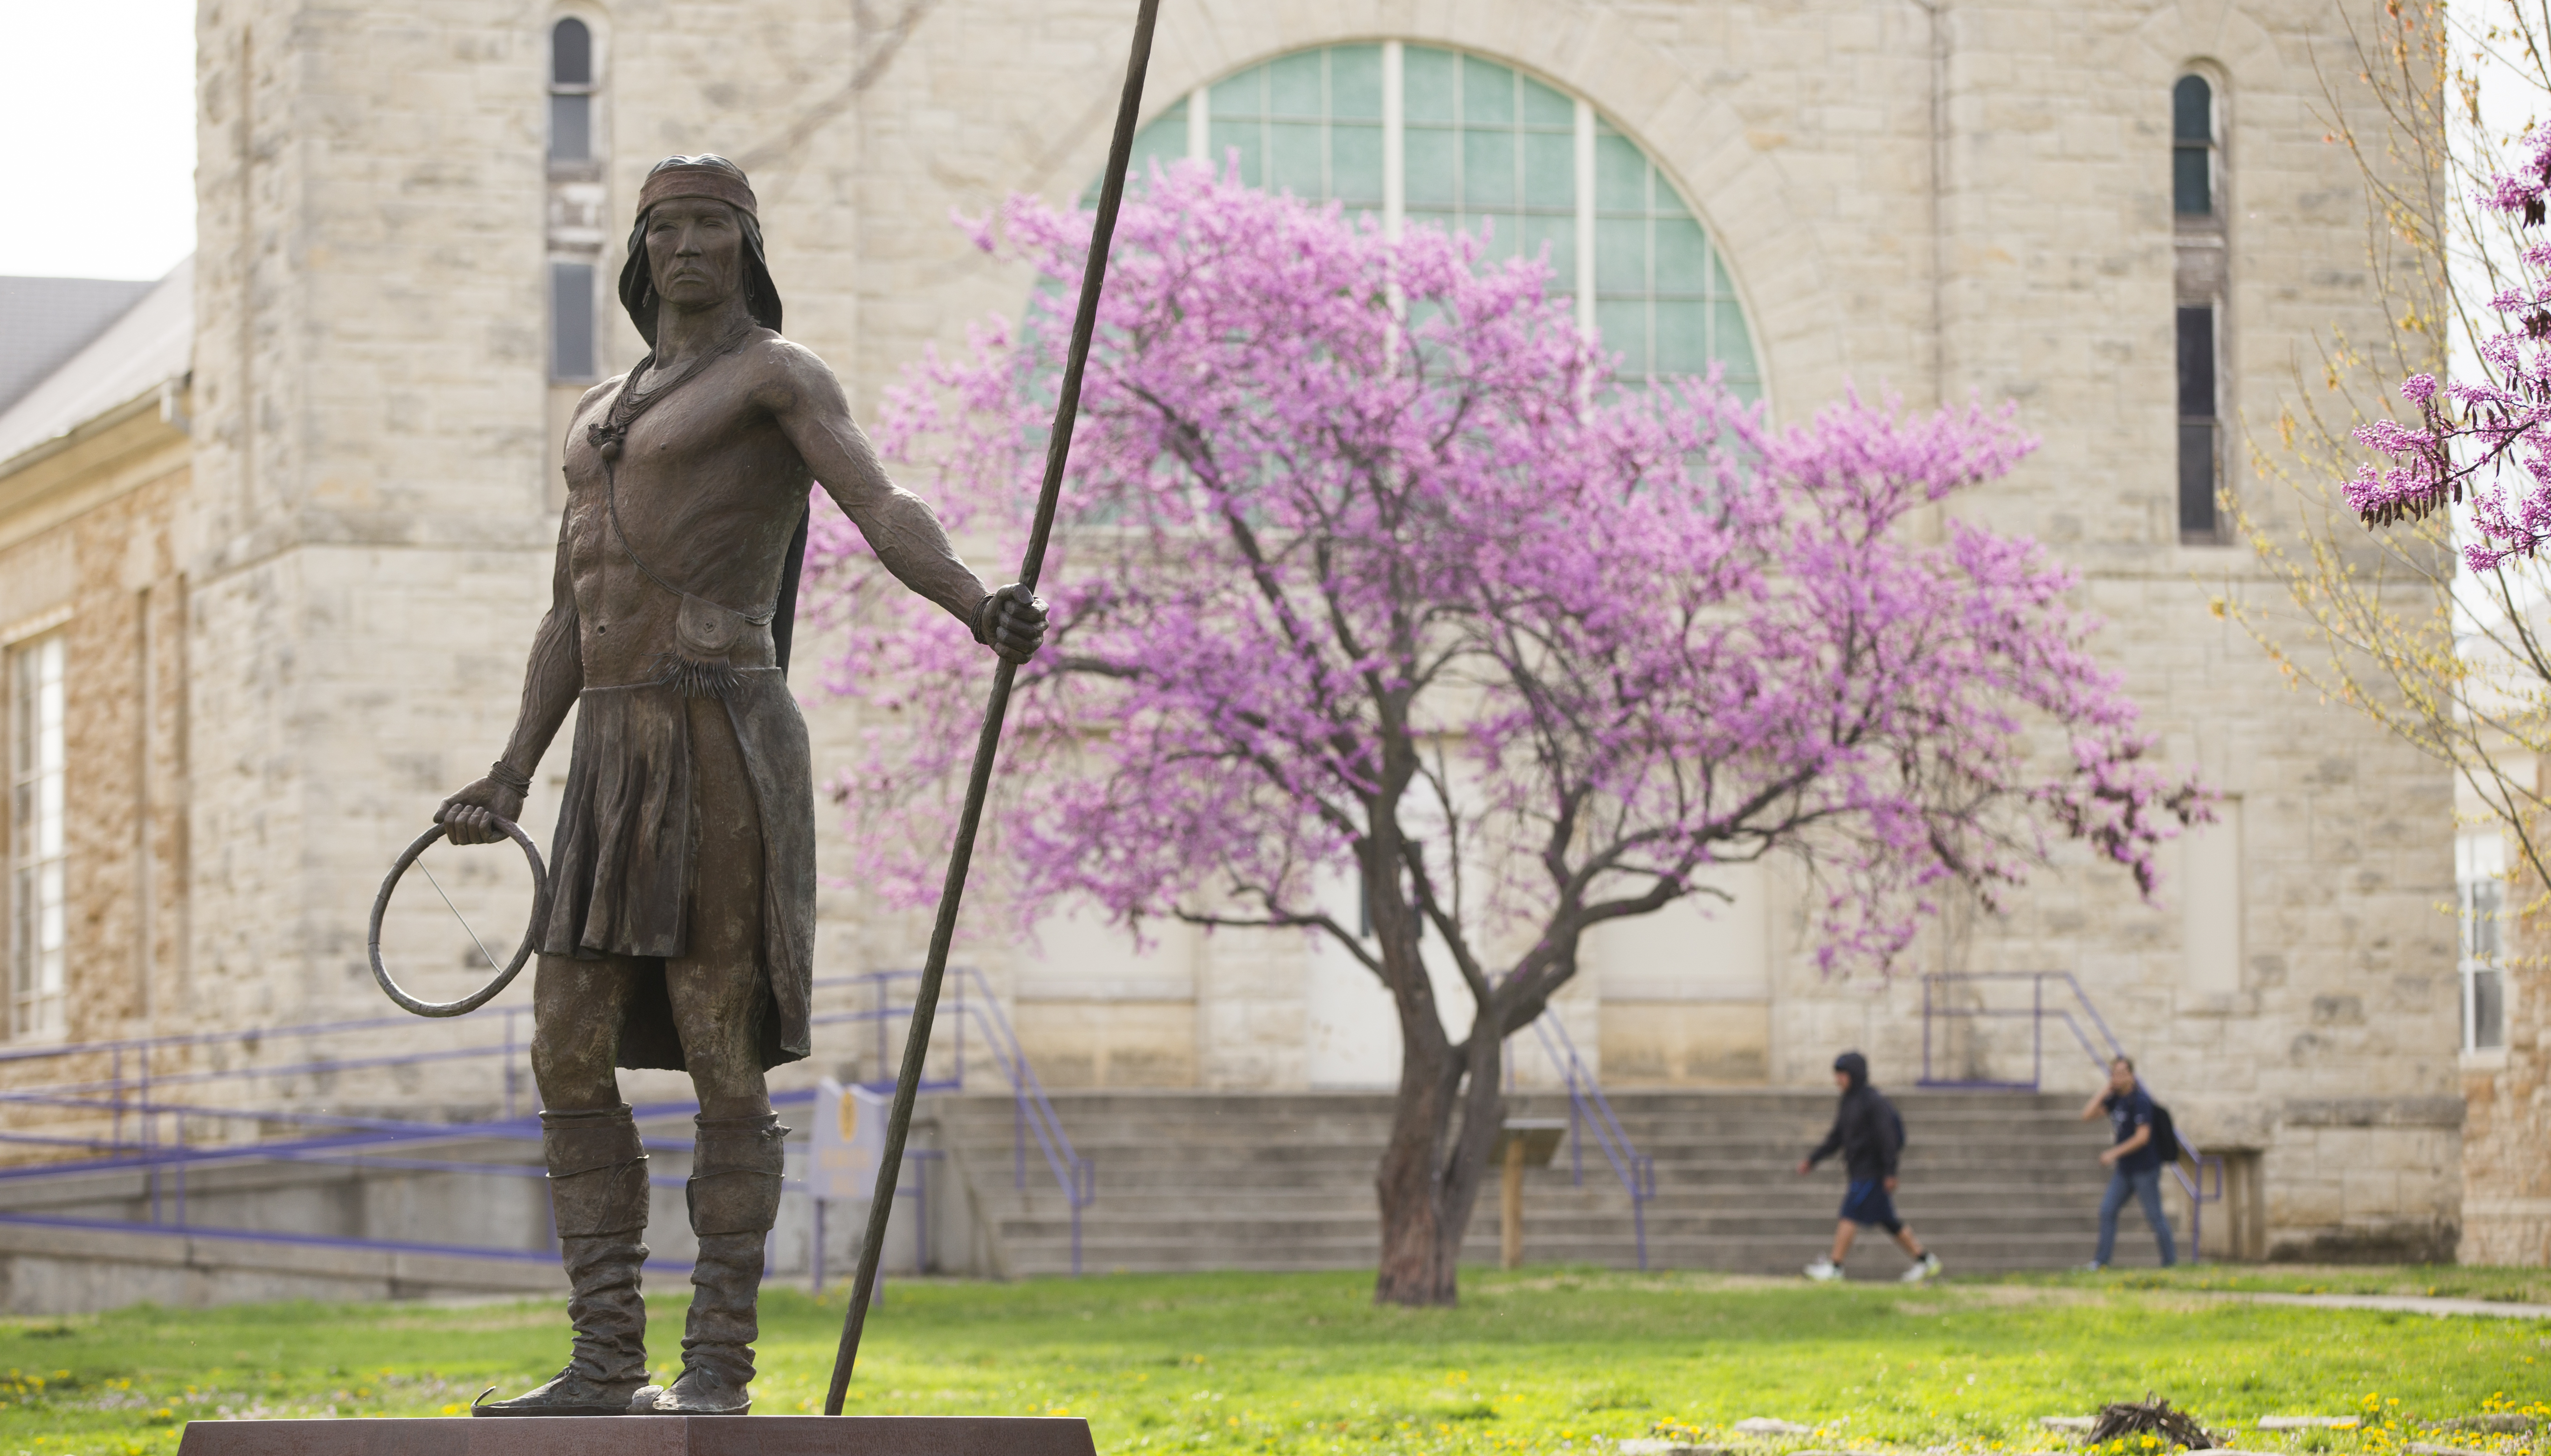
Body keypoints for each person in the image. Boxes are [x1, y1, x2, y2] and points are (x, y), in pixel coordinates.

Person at [434, 155, 1048, 1417]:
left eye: (712, 223)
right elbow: (571, 609)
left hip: (720, 732)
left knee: (724, 1046)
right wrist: (509, 771)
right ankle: (605, 1359)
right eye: (666, 226)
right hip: (604, 748)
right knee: (565, 1048)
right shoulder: (599, 411)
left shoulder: (777, 374)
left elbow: (882, 500)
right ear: (640, 250)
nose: (687, 244)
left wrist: (976, 602)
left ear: (749, 243)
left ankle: (718, 1365)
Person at [1795, 1051, 1940, 1282]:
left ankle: (1835, 1266)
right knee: (1889, 1221)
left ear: (1854, 1075)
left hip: (1872, 1172)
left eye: (1842, 1075)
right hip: (1858, 1170)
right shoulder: (1848, 1103)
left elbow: (1888, 1139)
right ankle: (1925, 1260)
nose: (1838, 1080)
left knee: (1849, 1213)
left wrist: (1890, 1172)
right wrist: (1813, 1160)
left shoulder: (1874, 1102)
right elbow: (1837, 1138)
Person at [2079, 1054, 2176, 1270]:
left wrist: (2114, 1153)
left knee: (2154, 1216)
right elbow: (2086, 1115)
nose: (2119, 1078)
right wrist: (2105, 1090)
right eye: (2115, 1074)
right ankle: (2101, 1262)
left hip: (2145, 1168)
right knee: (2107, 1210)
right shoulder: (2115, 1101)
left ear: (2132, 1076)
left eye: (2123, 1073)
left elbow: (2143, 1137)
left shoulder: (2140, 1101)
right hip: (2125, 1170)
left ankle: (2171, 1263)